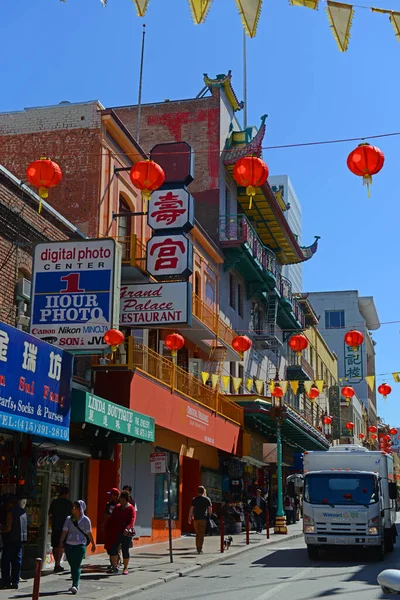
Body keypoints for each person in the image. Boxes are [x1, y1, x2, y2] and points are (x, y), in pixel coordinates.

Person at [59, 500, 96, 594]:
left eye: (74, 507)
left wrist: (93, 544)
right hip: (69, 545)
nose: (72, 509)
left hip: (80, 545)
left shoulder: (86, 520)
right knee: (72, 565)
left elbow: (89, 533)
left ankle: (75, 584)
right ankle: (74, 582)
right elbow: (64, 531)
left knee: (76, 565)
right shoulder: (69, 519)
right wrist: (61, 542)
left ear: (80, 509)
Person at [105, 490, 136, 575]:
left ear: (126, 499)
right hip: (117, 532)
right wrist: (107, 527)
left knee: (125, 549)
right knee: (113, 548)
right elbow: (112, 518)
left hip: (126, 533)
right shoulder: (117, 507)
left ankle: (125, 568)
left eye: (122, 499)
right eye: (120, 499)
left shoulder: (131, 508)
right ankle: (115, 567)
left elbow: (132, 520)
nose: (121, 501)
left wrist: (128, 528)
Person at [0, 495, 27, 590]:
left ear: (11, 503)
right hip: (20, 540)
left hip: (10, 540)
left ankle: (5, 581)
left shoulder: (11, 512)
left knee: (6, 562)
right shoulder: (23, 512)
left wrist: (1, 529)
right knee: (17, 562)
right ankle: (15, 581)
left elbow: (8, 528)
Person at [49, 486, 73, 573]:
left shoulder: (54, 502)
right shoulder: (69, 504)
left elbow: (50, 515)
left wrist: (51, 525)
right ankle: (60, 564)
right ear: (67, 494)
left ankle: (57, 563)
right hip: (65, 528)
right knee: (63, 546)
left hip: (56, 527)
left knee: (55, 546)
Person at [188, 486, 212, 554]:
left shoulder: (194, 499)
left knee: (197, 533)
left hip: (196, 518)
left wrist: (190, 517)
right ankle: (199, 548)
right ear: (203, 491)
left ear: (197, 491)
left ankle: (197, 546)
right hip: (203, 518)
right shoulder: (207, 499)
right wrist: (209, 515)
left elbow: (191, 509)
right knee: (201, 534)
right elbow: (210, 509)